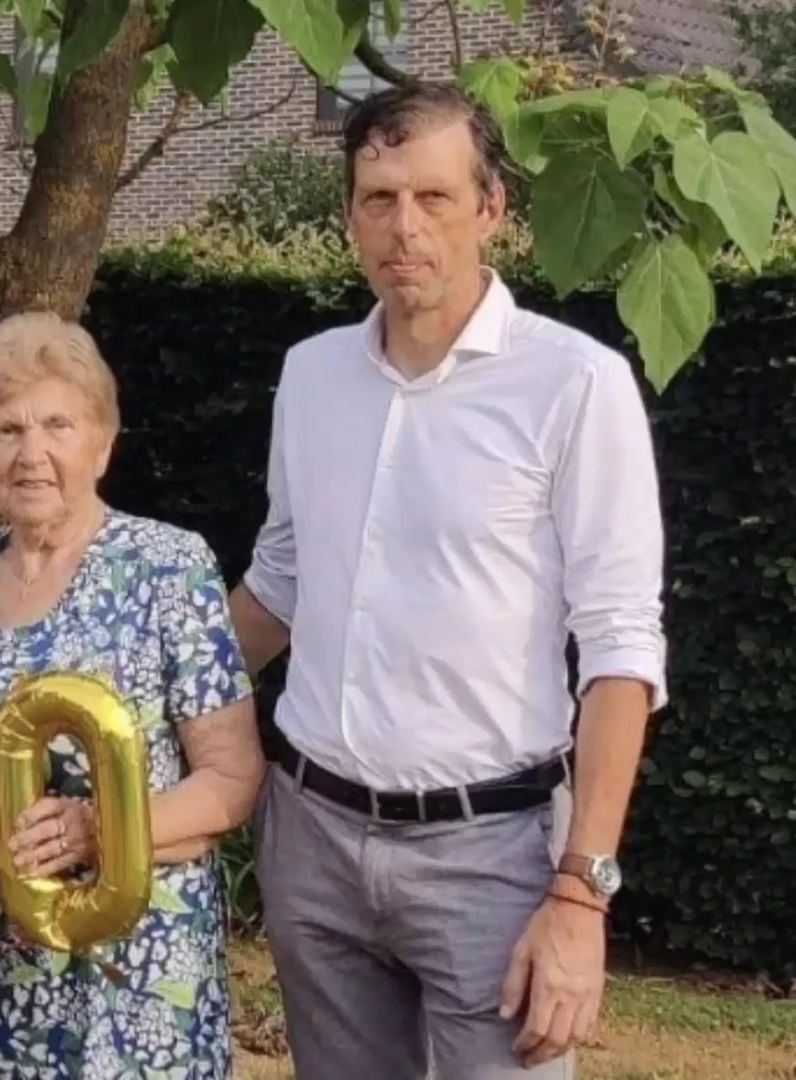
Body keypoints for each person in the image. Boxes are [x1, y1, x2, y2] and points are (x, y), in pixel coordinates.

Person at [229, 82, 668, 1080]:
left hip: (495, 859)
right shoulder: (311, 375)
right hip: (313, 846)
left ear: (492, 210)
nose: (404, 227)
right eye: (377, 199)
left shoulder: (575, 384)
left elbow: (620, 650)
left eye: (433, 197)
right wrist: (139, 685)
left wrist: (580, 896)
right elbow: (281, 586)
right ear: (348, 215)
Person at [0, 311, 265, 1079]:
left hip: (130, 984)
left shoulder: (169, 566)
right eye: (6, 430)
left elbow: (231, 783)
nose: (32, 454)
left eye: (57, 425)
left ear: (103, 438)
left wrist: (101, 828)